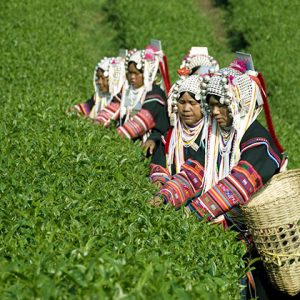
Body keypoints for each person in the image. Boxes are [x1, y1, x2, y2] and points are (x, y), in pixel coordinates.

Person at [149, 74, 207, 188]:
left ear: (203, 105)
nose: (186, 109)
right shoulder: (171, 134)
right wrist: (159, 180)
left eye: (192, 103)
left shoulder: (208, 136)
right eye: (182, 102)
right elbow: (159, 162)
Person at [116, 46, 170, 143]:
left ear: (148, 73)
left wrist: (114, 137)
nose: (132, 77)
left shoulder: (155, 93)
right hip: (126, 139)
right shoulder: (128, 90)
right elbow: (112, 109)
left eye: (136, 73)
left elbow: (142, 121)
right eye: (130, 73)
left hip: (149, 143)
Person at [70, 56, 126, 121]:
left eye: (102, 78)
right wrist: (74, 111)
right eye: (98, 78)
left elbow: (101, 122)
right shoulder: (99, 97)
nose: (99, 82)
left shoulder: (119, 100)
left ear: (113, 79)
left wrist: (85, 120)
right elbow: (87, 106)